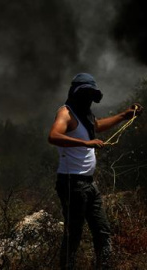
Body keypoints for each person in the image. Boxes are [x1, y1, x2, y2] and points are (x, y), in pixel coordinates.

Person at [48, 73, 143, 269]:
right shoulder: (66, 113)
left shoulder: (86, 115)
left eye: (92, 94)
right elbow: (53, 136)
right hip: (71, 183)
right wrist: (86, 143)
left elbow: (97, 126)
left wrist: (125, 115)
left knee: (102, 231)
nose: (89, 98)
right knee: (73, 234)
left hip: (89, 183)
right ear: (75, 93)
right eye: (86, 93)